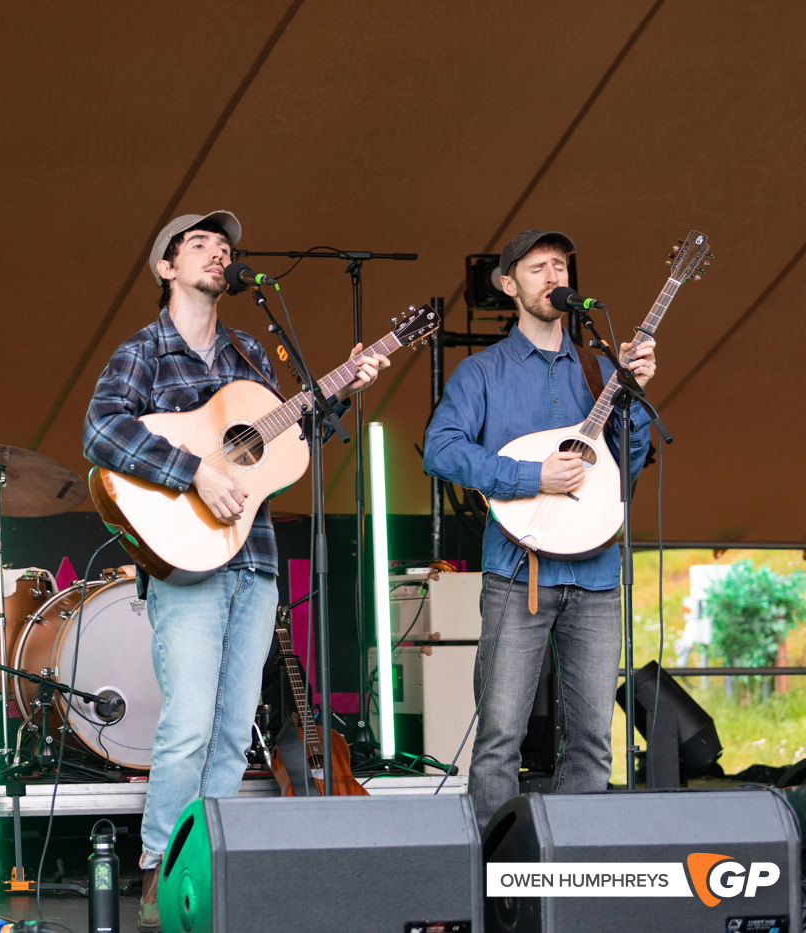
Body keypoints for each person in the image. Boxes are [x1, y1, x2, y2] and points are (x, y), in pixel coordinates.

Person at [83, 211, 387, 931]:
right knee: (187, 725)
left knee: (230, 732)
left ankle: (210, 869)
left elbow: (281, 441)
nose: (219, 254)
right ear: (166, 267)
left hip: (255, 559)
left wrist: (342, 386)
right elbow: (101, 428)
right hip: (186, 559)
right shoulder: (143, 350)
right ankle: (159, 872)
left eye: (225, 247)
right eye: (201, 244)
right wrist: (193, 471)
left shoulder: (250, 350)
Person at [423, 228, 657, 829]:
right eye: (537, 268)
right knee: (500, 734)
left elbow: (624, 468)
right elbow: (440, 450)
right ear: (508, 285)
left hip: (597, 576)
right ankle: (493, 865)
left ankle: (574, 862)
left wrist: (633, 399)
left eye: (560, 265)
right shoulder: (481, 372)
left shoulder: (599, 368)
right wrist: (531, 477)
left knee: (592, 739)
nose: (554, 276)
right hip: (516, 573)